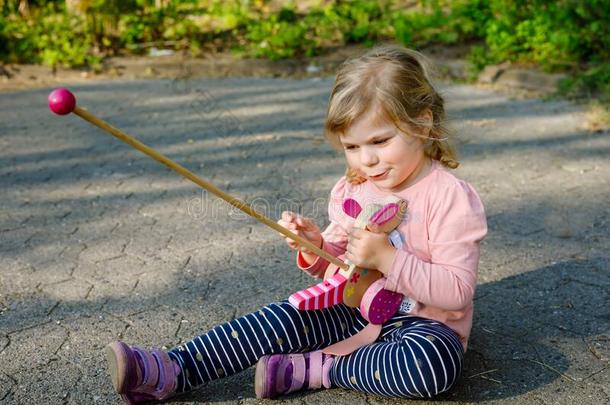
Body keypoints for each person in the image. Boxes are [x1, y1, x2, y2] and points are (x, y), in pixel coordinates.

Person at [105, 44, 487, 404]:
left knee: (430, 367)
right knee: (284, 316)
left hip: (423, 325)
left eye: (380, 141)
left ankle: (324, 369)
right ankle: (173, 368)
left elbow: (456, 292)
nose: (366, 160)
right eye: (351, 147)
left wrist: (388, 260)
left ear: (422, 124)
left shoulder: (451, 197)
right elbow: (338, 267)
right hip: (354, 311)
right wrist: (316, 247)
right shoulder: (354, 188)